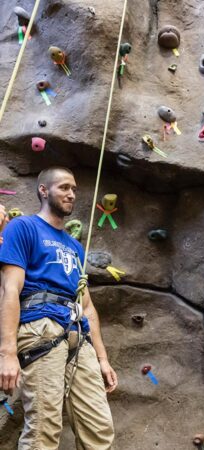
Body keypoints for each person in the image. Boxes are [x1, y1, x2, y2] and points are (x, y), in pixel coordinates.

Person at [0, 167, 116, 449]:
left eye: (74, 189)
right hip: (40, 328)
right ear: (43, 190)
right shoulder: (23, 227)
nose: (71, 194)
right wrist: (7, 353)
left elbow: (86, 305)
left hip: (78, 333)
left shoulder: (75, 247)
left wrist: (102, 359)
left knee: (100, 429)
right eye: (64, 187)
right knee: (44, 429)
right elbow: (10, 289)